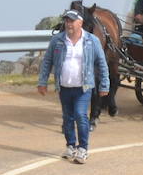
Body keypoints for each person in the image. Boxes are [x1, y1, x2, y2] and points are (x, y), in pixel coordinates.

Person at [36, 10, 110, 163]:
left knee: (80, 115)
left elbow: (102, 64)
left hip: (83, 87)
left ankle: (83, 148)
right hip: (64, 87)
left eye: (72, 21)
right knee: (67, 118)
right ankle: (71, 146)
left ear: (80, 23)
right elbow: (47, 61)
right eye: (67, 21)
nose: (68, 24)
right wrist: (42, 82)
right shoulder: (57, 40)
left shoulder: (92, 41)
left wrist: (104, 84)